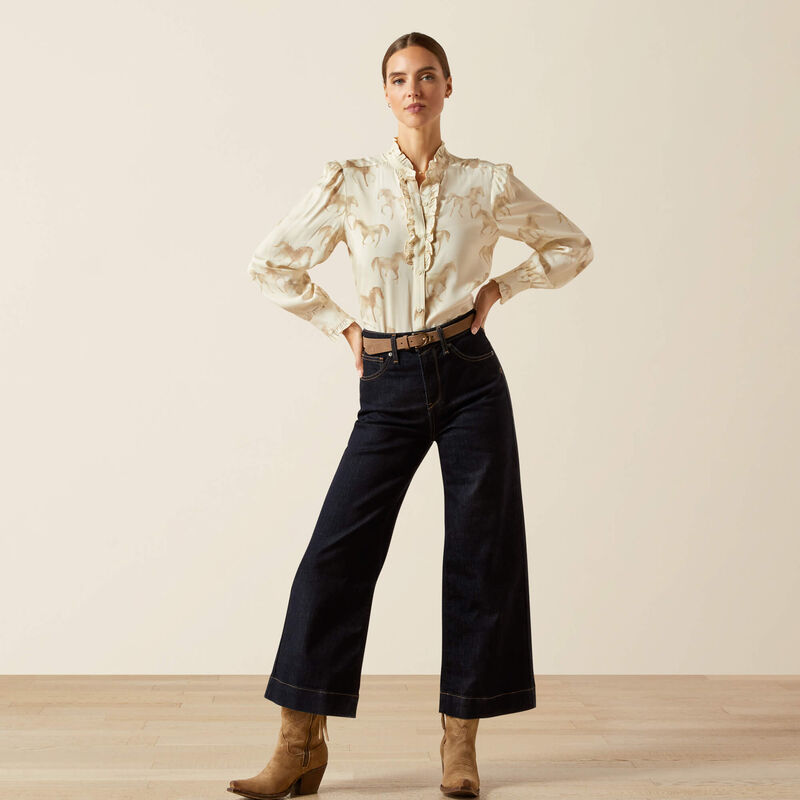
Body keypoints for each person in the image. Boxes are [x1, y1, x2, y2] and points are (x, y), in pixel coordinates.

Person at [228, 31, 593, 800]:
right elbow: (272, 262)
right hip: (388, 381)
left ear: (448, 87)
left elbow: (571, 245)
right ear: (386, 93)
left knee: (480, 557)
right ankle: (299, 744)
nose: (413, 89)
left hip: (469, 377)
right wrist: (342, 326)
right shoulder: (351, 182)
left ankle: (460, 746)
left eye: (427, 76)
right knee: (333, 557)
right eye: (398, 78)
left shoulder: (487, 182)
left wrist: (501, 288)